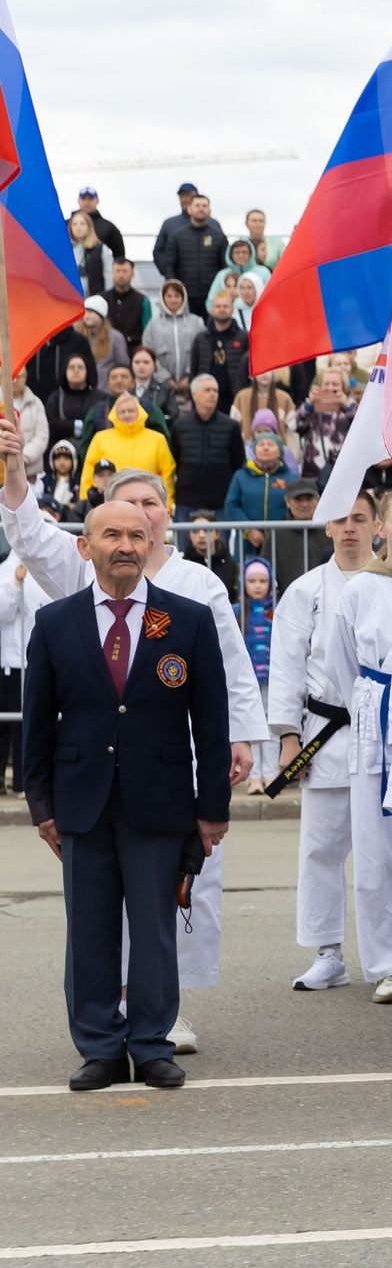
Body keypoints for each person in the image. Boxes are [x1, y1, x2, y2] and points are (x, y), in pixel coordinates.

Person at [1, 434, 261, 1053]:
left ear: (163, 516)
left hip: (170, 770)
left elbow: (227, 670)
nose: (137, 520)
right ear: (93, 537)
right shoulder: (79, 576)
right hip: (93, 781)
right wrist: (14, 468)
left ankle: (163, 1017)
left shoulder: (197, 588)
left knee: (168, 906)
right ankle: (103, 1027)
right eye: (126, 509)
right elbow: (32, 534)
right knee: (94, 918)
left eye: (149, 506)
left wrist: (244, 739)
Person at [25, 498, 233, 1091]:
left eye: (136, 535)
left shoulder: (187, 620)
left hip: (160, 802)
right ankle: (99, 1047)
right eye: (110, 534)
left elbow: (211, 724)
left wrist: (212, 808)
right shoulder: (55, 622)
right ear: (84, 546)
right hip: (82, 803)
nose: (124, 545)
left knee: (154, 930)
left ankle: (150, 1043)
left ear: (150, 544)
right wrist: (41, 807)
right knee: (88, 932)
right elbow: (38, 723)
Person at [313, 488, 392, 1003]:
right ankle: (389, 964)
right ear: (380, 528)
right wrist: (370, 703)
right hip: (375, 714)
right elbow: (342, 663)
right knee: (376, 848)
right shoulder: (359, 589)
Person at [270, 492, 378, 993]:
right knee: (321, 849)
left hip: (387, 734)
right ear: (328, 527)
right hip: (327, 731)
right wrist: (289, 738)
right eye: (342, 519)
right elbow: (288, 667)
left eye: (360, 518)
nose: (351, 527)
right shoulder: (306, 590)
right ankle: (328, 952)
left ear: (376, 525)